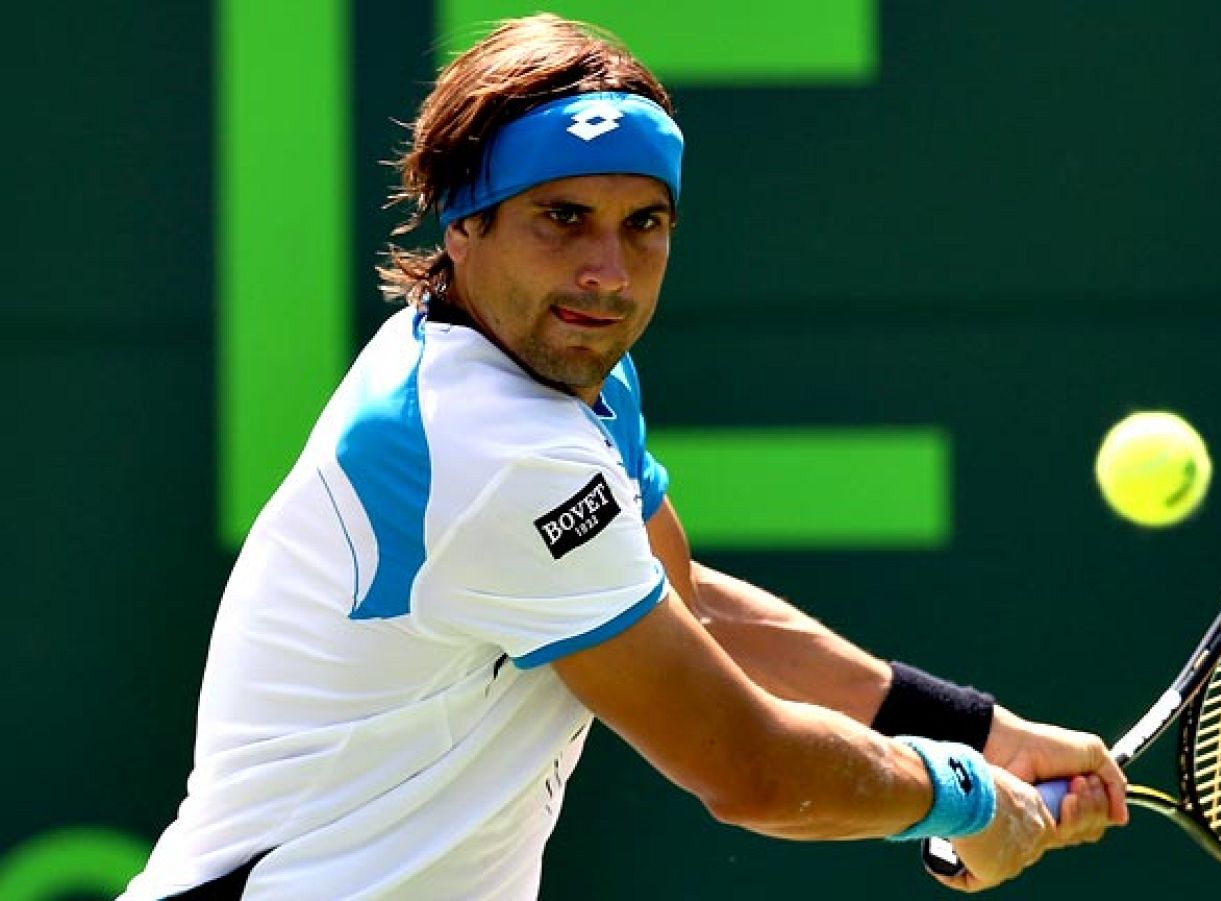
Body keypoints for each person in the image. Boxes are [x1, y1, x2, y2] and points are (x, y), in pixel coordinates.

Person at [122, 14, 1126, 899]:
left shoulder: (555, 371)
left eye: (642, 225)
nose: (606, 273)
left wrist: (977, 731)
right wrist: (962, 799)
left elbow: (676, 604)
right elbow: (750, 770)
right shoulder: (498, 450)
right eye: (562, 219)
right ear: (463, 224)